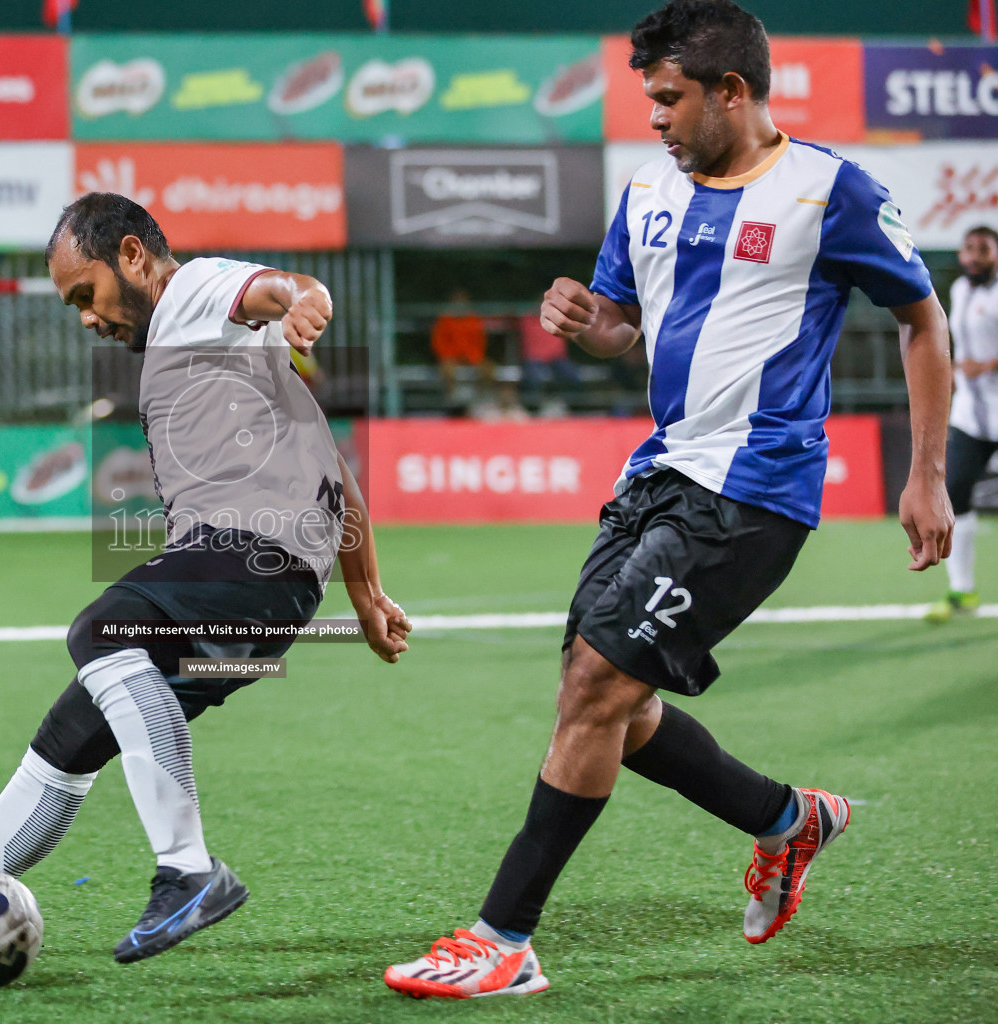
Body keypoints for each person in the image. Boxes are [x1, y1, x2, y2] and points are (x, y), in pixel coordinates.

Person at [383, 0, 953, 999]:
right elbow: (621, 327)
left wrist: (925, 470)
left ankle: (503, 936)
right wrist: (582, 320)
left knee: (599, 687)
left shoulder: (832, 192)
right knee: (602, 697)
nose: (654, 117)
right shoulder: (650, 190)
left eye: (669, 97)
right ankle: (787, 818)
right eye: (649, 98)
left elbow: (921, 318)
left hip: (756, 486)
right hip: (655, 474)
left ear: (732, 91)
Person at [0, 193, 412, 967]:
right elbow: (335, 471)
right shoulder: (231, 359)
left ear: (135, 257)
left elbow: (282, 288)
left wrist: (308, 300)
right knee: (67, 740)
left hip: (252, 561)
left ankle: (188, 871)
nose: (86, 316)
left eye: (87, 293)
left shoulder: (193, 293)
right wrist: (368, 595)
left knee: (100, 631)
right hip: (268, 591)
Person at [926, 225, 998, 622]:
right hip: (973, 414)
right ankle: (962, 590)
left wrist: (987, 364)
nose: (973, 256)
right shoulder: (959, 291)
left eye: (982, 249)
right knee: (954, 492)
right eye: (968, 249)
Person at [430, 287, 491, 409]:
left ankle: (481, 400)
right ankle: (453, 403)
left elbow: (480, 342)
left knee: (489, 371)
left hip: (472, 357)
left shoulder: (473, 320)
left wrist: (471, 356)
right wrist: (451, 356)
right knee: (448, 371)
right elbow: (438, 344)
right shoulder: (444, 320)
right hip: (451, 358)